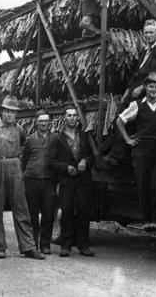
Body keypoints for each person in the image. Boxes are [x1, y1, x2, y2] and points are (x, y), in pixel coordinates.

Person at [0, 95, 45, 260]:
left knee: (21, 209)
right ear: (2, 112)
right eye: (7, 112)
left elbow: (23, 147)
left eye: (14, 112)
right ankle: (0, 247)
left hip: (15, 168)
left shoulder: (19, 129)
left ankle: (28, 247)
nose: (10, 115)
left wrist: (19, 168)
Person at [116, 72, 156, 223]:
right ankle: (146, 220)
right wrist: (127, 139)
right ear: (145, 87)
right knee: (143, 184)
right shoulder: (137, 105)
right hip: (141, 149)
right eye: (151, 86)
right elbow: (119, 120)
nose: (153, 90)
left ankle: (155, 219)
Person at [48, 106, 95, 257]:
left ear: (77, 119)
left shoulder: (84, 136)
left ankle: (84, 245)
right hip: (67, 180)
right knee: (66, 212)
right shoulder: (57, 138)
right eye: (69, 115)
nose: (72, 118)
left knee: (84, 212)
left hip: (82, 180)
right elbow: (52, 161)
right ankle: (65, 246)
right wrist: (66, 167)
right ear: (65, 118)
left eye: (74, 116)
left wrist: (84, 161)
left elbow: (91, 156)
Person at [22, 110, 58, 254]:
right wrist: (26, 174)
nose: (43, 123)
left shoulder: (56, 139)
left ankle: (45, 244)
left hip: (49, 181)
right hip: (32, 180)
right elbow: (24, 159)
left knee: (48, 214)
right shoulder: (30, 139)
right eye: (41, 121)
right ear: (36, 123)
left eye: (46, 121)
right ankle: (33, 245)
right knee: (32, 215)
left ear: (50, 123)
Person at [126, 19, 156, 100]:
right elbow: (137, 72)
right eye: (146, 33)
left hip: (150, 91)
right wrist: (128, 89)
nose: (148, 35)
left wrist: (140, 88)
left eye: (151, 32)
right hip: (136, 88)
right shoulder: (145, 50)